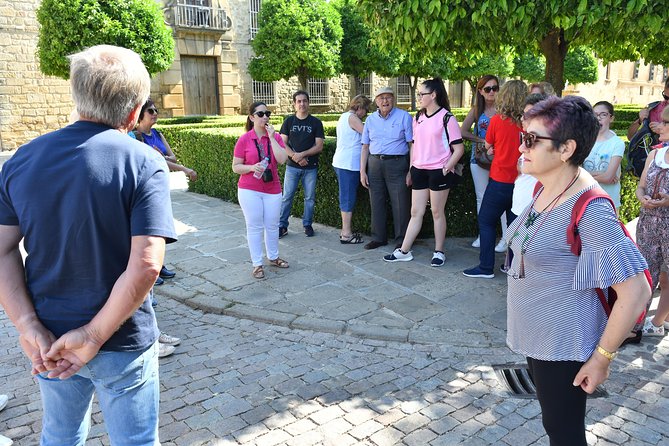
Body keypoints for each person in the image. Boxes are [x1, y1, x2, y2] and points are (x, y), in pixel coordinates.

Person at [0, 45, 176, 444]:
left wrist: (28, 326)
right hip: (121, 339)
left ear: (76, 96)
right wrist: (94, 336)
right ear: (134, 112)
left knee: (61, 435)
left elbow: (2, 249)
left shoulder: (22, 160)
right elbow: (147, 264)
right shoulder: (143, 162)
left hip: (50, 337)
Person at [505, 95, 651, 445]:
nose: (521, 147)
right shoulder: (546, 186)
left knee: (564, 433)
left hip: (564, 344)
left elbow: (637, 292)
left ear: (566, 148)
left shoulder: (590, 207)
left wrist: (602, 358)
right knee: (556, 425)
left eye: (531, 140)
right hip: (541, 337)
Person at [383, 78, 464, 266]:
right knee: (415, 212)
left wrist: (446, 168)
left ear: (433, 95)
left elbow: (459, 150)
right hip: (419, 170)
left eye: (422, 94)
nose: (419, 97)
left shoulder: (447, 118)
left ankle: (439, 252)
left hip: (439, 172)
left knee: (437, 212)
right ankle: (404, 251)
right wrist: (412, 168)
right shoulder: (418, 117)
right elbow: (415, 146)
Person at [464, 80, 527, 279]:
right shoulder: (529, 123)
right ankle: (512, 265)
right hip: (521, 182)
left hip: (500, 179)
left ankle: (485, 267)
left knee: (486, 220)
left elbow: (489, 147)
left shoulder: (497, 121)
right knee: (514, 225)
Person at [135, 98, 197, 284]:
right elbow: (160, 160)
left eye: (155, 111)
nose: (155, 114)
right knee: (147, 230)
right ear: (141, 115)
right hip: (144, 188)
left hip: (160, 186)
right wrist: (184, 169)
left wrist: (160, 156)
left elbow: (171, 157)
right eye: (151, 111)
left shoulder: (157, 134)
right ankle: (149, 271)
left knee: (159, 229)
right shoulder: (135, 137)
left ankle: (158, 266)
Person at [233, 102, 289, 279]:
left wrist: (272, 138)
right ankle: (257, 264)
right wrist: (251, 168)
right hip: (250, 189)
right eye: (260, 114)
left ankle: (273, 257)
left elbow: (282, 160)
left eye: (267, 113)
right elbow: (235, 167)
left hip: (272, 188)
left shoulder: (275, 137)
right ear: (251, 117)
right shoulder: (244, 139)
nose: (265, 117)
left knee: (272, 225)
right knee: (255, 226)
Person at [360, 86, 413, 250]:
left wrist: (411, 170)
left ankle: (402, 240)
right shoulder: (370, 120)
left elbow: (412, 145)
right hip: (374, 164)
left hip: (397, 163)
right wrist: (363, 171)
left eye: (388, 97)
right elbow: (365, 146)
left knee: (400, 203)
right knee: (376, 201)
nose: (385, 101)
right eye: (381, 98)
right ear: (376, 101)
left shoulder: (404, 117)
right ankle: (378, 238)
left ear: (393, 99)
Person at [461, 75, 507, 252]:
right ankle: (483, 235)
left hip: (500, 160)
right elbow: (463, 131)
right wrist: (482, 139)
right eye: (487, 89)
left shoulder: (503, 110)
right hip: (479, 159)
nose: (492, 92)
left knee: (503, 198)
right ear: (480, 91)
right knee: (482, 198)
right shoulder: (476, 110)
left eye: (495, 88)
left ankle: (505, 238)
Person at [635, 105, 669, 338]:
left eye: (666, 124)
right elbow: (641, 186)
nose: (660, 126)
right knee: (644, 275)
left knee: (667, 278)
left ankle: (657, 321)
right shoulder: (654, 154)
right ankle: (633, 325)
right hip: (648, 223)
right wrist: (642, 198)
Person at [278, 91, 325, 238]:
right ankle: (282, 226)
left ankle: (307, 225)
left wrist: (302, 155)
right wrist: (295, 157)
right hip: (292, 167)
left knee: (309, 198)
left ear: (308, 103)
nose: (302, 104)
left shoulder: (316, 122)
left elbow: (319, 146)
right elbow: (282, 143)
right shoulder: (289, 121)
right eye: (298, 101)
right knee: (287, 197)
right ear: (294, 104)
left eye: (304, 101)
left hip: (310, 167)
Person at [333, 95, 372, 244]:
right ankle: (346, 234)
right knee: (347, 198)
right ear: (360, 107)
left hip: (342, 162)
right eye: (366, 110)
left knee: (346, 196)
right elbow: (368, 135)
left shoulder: (343, 116)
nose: (366, 114)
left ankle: (346, 231)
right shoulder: (353, 118)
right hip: (348, 164)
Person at [583, 101, 625, 209]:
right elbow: (573, 171)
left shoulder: (617, 143)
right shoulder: (584, 139)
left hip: (608, 201)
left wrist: (582, 175)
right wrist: (600, 173)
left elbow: (608, 178)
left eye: (603, 114)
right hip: (585, 199)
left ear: (611, 118)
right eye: (595, 114)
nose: (598, 118)